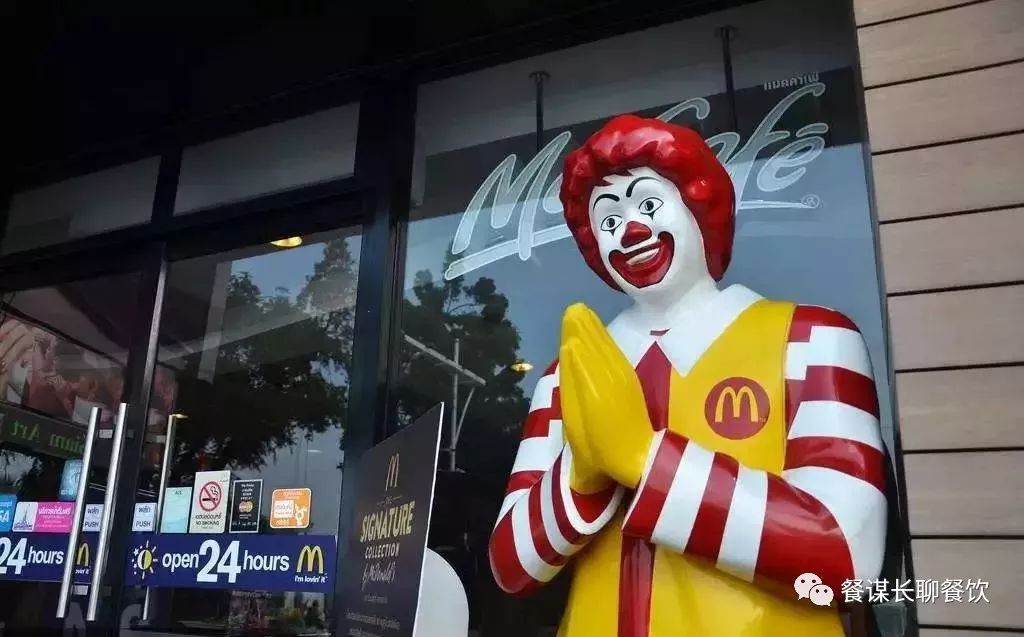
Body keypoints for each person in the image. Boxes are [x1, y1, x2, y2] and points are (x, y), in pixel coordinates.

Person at [488, 115, 887, 636]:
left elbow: (848, 550)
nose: (630, 232)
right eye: (608, 222)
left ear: (699, 206)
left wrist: (645, 462)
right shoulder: (565, 378)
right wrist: (580, 478)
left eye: (649, 205)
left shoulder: (812, 339)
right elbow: (509, 566)